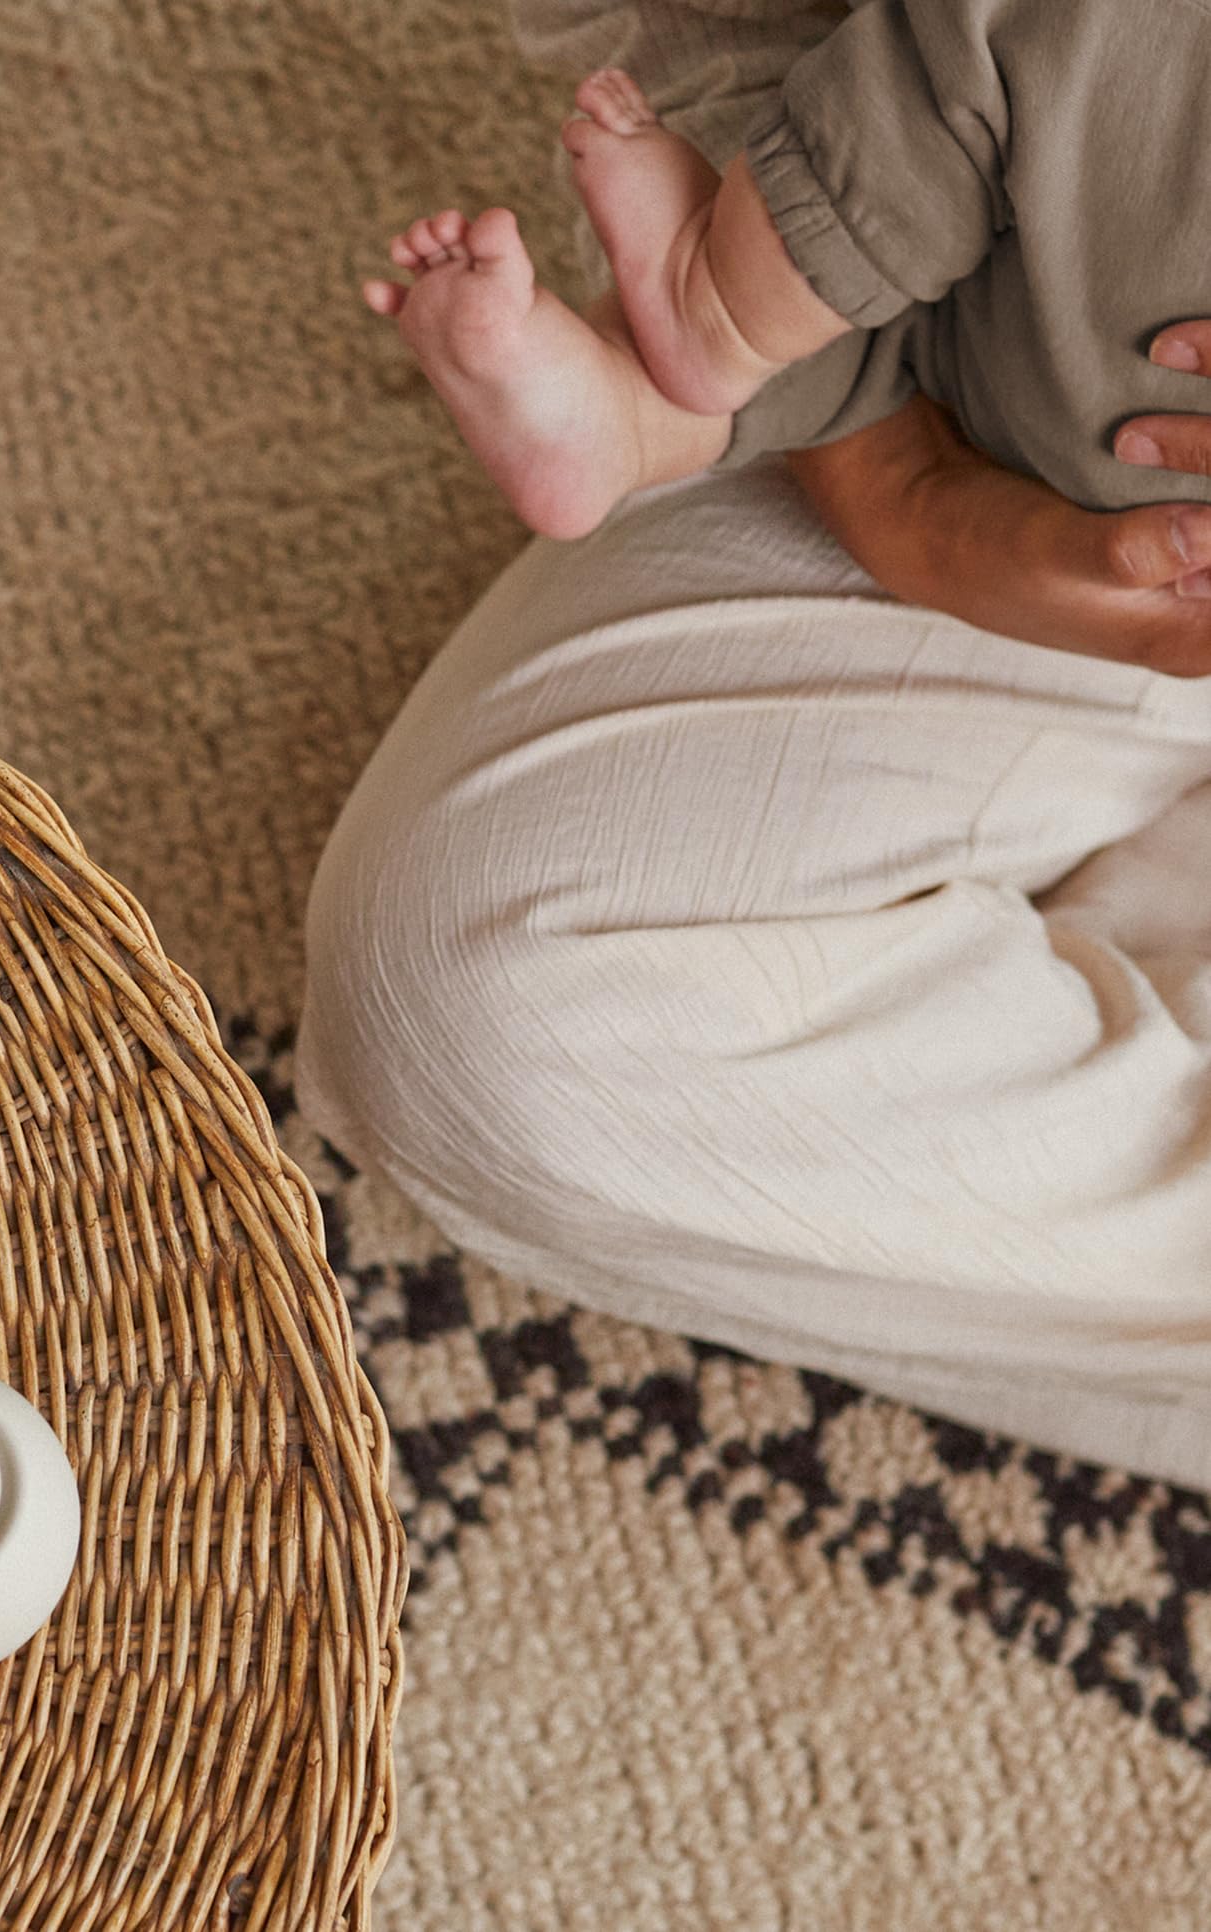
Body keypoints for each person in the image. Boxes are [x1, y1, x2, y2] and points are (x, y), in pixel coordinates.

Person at [297, 0, 1211, 1486]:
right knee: (482, 1001)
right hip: (991, 386)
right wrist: (912, 506)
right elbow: (800, 121)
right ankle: (648, 384)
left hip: (1007, 365)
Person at [365, 0, 1211, 555]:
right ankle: (631, 413)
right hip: (1095, 432)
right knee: (920, 298)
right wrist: (908, 506)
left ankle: (720, 311)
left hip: (1134, 424)